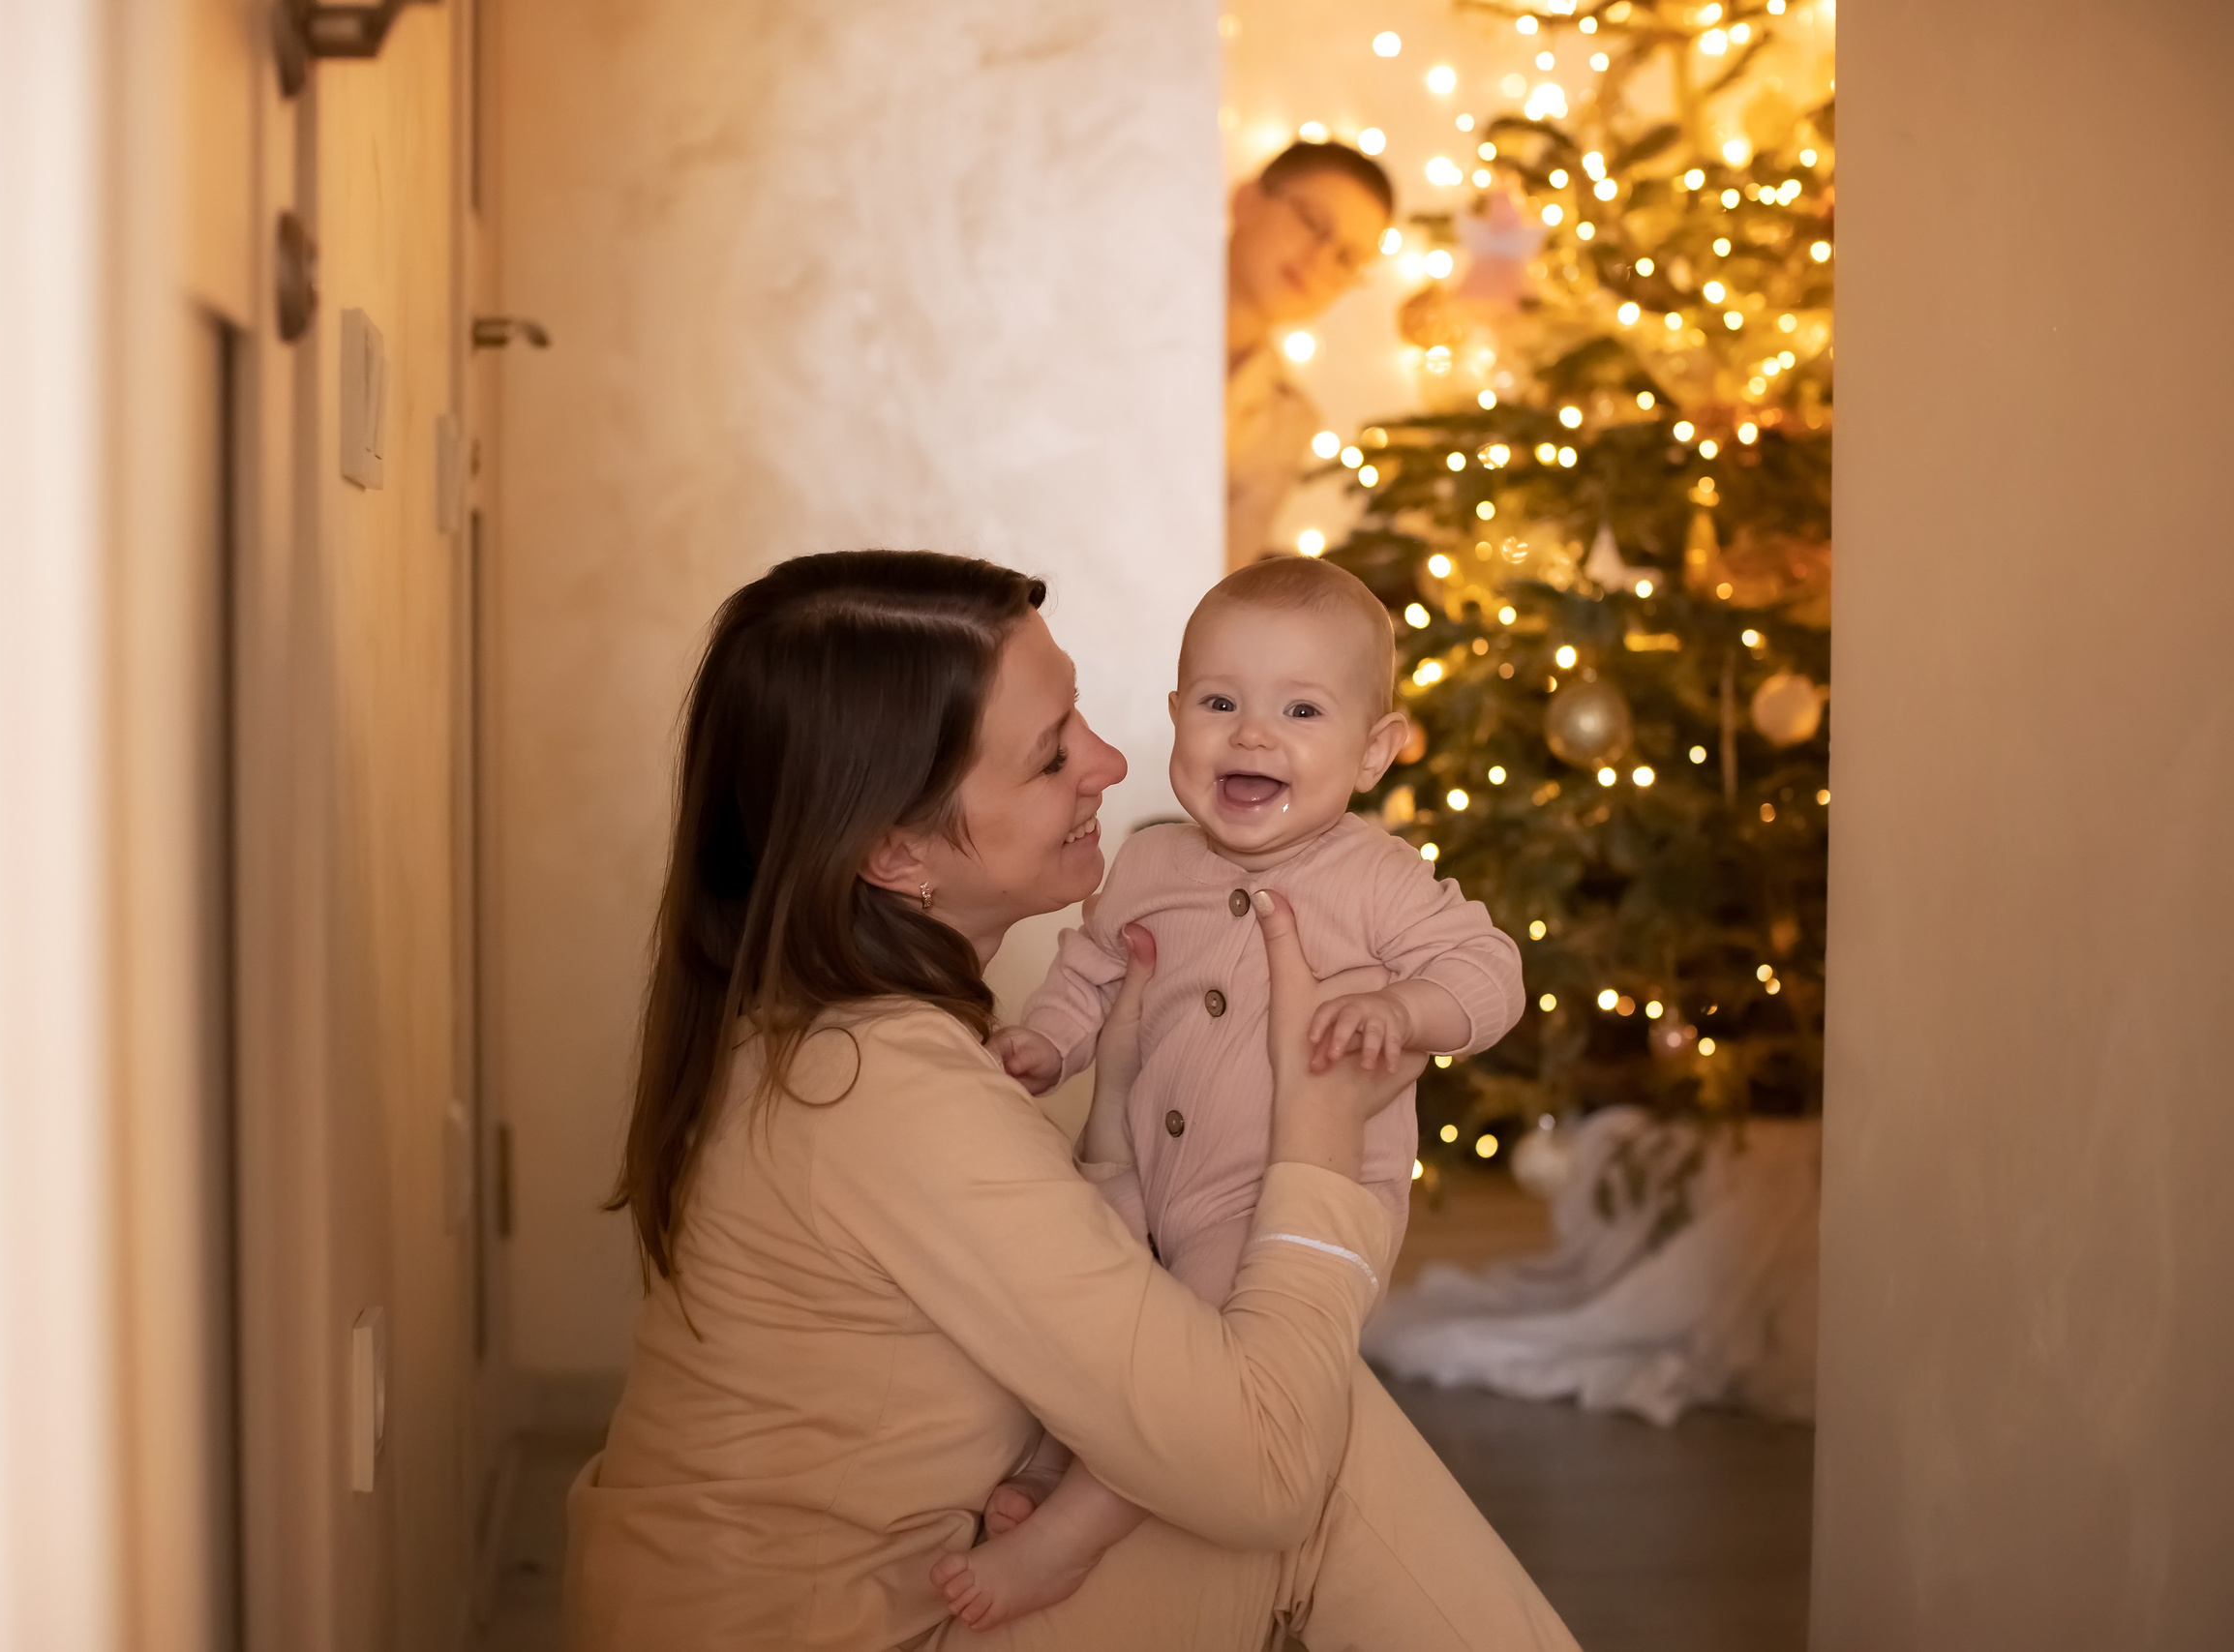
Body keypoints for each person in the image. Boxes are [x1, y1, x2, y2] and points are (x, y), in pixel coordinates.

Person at [567, 551, 1575, 1651]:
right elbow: (1267, 1468)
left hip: (810, 1604)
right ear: (896, 851)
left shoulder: (825, 1036)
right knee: (1304, 1439)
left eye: (1081, 717)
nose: (1108, 761)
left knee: (1263, 1403)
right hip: (846, 1633)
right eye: (1052, 754)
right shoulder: (884, 1091)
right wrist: (1320, 1132)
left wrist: (1116, 1122)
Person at [935, 556, 1523, 1629]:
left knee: (1199, 1372)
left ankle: (1070, 1536)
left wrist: (1403, 1009)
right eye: (1219, 704)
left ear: (1376, 749)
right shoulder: (1150, 863)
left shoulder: (1377, 879)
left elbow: (1491, 974)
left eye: (1301, 710)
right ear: (1175, 716)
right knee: (1094, 1326)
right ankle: (1056, 1465)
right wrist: (1048, 1044)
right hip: (1140, 1178)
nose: (1252, 735)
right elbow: (1092, 968)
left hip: (1278, 1204)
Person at [1225, 142, 1396, 569]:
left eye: (1346, 258)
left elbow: (1217, 580)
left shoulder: (1289, 422)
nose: (1319, 260)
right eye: (1312, 222)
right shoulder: (1123, 299)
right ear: (1247, 200)